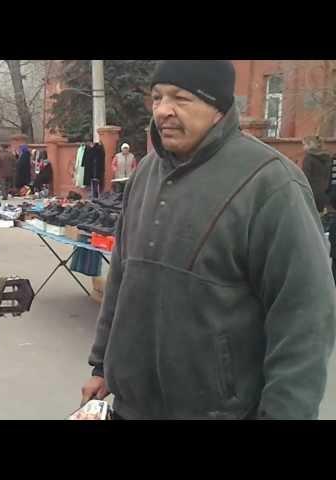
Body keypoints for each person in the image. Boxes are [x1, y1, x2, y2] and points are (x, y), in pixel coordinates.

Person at [81, 60, 336, 420]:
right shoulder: (146, 174)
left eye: (181, 98)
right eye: (157, 97)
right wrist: (102, 365)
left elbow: (304, 314)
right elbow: (123, 275)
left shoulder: (271, 183)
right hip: (132, 406)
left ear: (218, 108)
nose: (163, 110)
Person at [302, 135, 332, 214]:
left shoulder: (308, 158)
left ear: (310, 144)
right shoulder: (328, 157)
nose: (303, 147)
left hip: (311, 194)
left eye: (304, 144)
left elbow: (305, 177)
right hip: (324, 194)